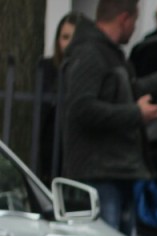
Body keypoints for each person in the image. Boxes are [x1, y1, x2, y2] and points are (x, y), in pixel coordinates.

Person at [60, 0, 157, 235]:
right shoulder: (90, 53)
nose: (135, 28)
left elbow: (133, 89)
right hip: (99, 176)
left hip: (119, 173)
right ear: (124, 19)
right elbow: (82, 109)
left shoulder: (111, 54)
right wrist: (136, 113)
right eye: (135, 21)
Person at [36, 11, 84, 183]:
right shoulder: (47, 68)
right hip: (49, 146)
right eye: (65, 37)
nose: (69, 44)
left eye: (74, 38)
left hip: (76, 150)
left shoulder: (88, 72)